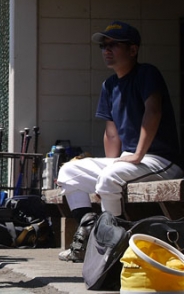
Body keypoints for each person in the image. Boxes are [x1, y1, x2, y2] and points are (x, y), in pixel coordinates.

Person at [56, 21, 184, 262]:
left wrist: (136, 155)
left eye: (114, 44)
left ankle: (112, 250)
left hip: (160, 160)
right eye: (104, 45)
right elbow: (112, 133)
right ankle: (91, 232)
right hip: (129, 161)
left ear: (133, 50)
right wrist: (112, 162)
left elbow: (153, 112)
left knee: (108, 178)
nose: (106, 49)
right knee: (69, 172)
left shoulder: (147, 73)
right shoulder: (109, 84)